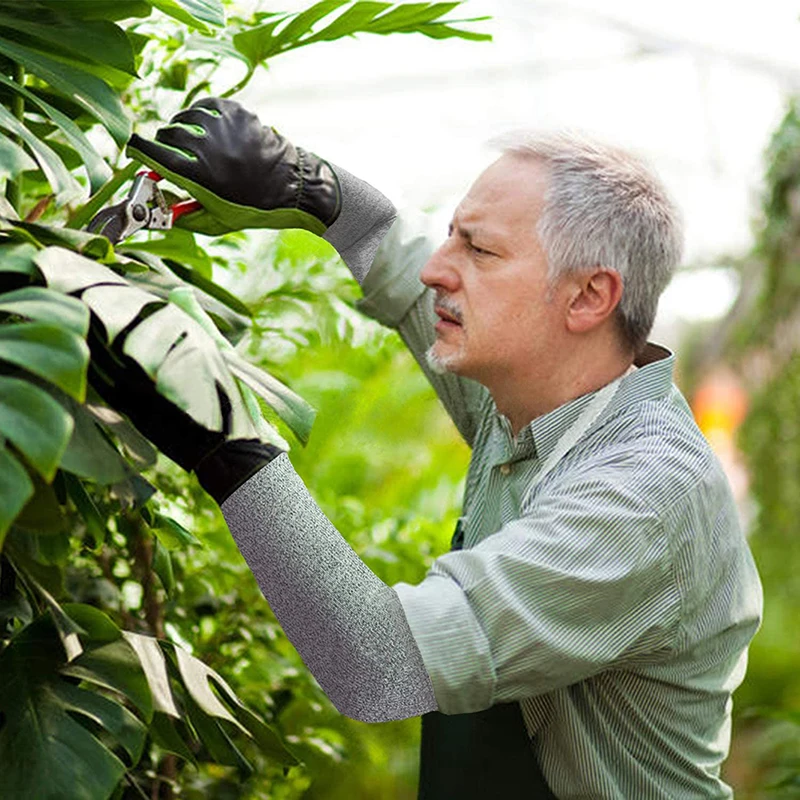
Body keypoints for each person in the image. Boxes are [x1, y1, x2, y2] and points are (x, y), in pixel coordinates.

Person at [99, 97, 763, 798]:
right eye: (452, 237)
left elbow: (379, 665)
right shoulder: (532, 398)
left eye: (479, 250)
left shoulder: (643, 495)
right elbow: (387, 245)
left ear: (587, 297)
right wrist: (305, 182)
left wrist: (227, 443)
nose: (437, 270)